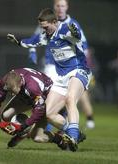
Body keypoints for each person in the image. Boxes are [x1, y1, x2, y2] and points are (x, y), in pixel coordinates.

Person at [7, 8, 92, 151]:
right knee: (49, 113)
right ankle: (74, 132)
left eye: (46, 27)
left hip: (78, 70)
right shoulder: (47, 35)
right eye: (42, 27)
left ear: (54, 22)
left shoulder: (65, 30)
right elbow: (33, 41)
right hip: (61, 77)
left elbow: (76, 36)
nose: (44, 30)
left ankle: (72, 135)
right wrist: (18, 42)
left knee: (70, 99)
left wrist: (75, 32)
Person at [28, 0, 95, 129]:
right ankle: (54, 124)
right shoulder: (46, 21)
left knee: (77, 96)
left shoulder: (73, 24)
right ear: (54, 7)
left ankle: (85, 120)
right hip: (51, 65)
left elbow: (84, 46)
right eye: (58, 5)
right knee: (49, 94)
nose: (60, 8)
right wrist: (32, 52)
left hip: (71, 66)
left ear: (67, 7)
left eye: (62, 6)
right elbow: (33, 40)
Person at [0, 67, 73, 149]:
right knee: (5, 115)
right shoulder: (5, 81)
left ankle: (59, 139)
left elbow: (39, 111)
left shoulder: (33, 86)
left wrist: (23, 126)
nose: (12, 95)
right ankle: (24, 131)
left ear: (20, 83)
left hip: (47, 98)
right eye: (10, 92)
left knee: (37, 137)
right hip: (28, 96)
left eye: (14, 91)